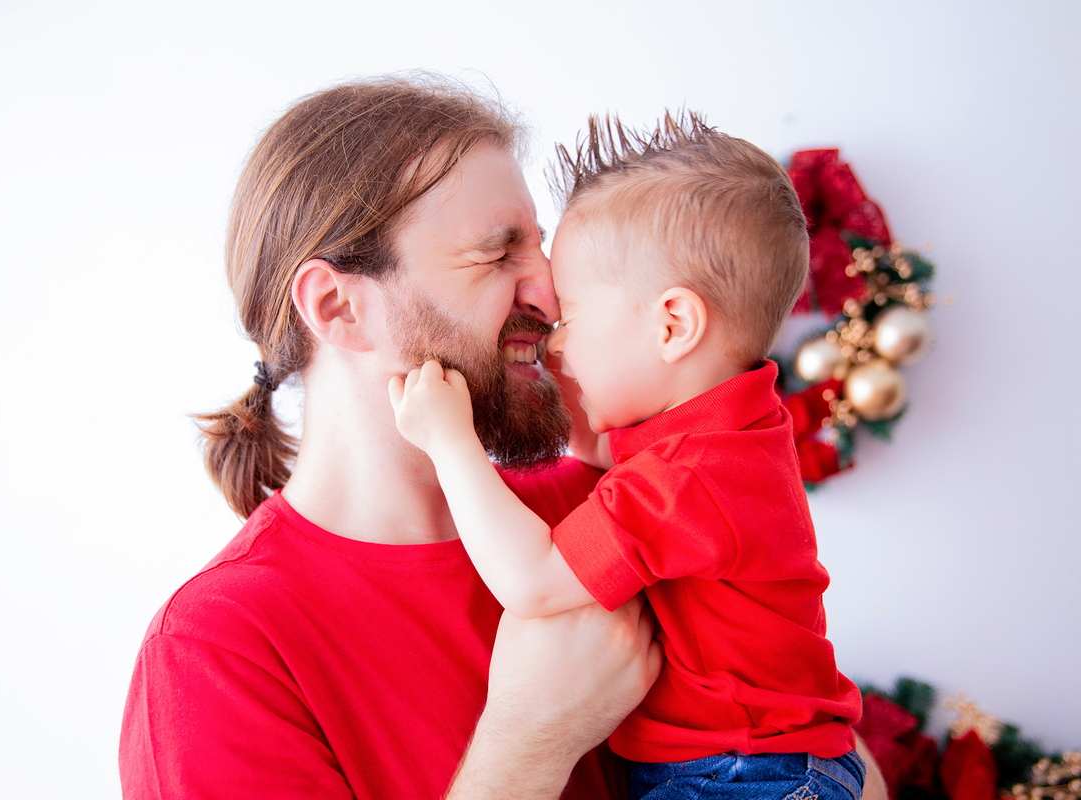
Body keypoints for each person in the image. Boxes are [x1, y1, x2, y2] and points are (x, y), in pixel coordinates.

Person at [118, 75, 663, 800]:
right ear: (339, 306)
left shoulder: (601, 513)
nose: (550, 293)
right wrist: (530, 741)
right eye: (498, 255)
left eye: (540, 251)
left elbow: (836, 771)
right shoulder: (216, 651)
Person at [388, 113, 865, 800]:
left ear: (673, 325)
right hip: (774, 762)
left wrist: (450, 443)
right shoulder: (728, 431)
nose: (553, 344)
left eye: (570, 321)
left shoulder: (686, 476)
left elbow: (535, 580)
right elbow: (604, 451)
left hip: (739, 777)